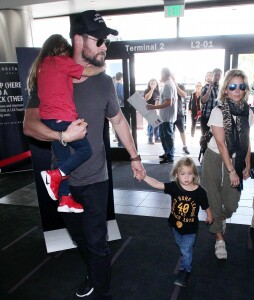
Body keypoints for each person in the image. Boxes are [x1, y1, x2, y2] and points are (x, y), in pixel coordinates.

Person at [23, 10, 145, 300]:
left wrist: (135, 157)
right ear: (78, 39)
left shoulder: (103, 82)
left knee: (97, 242)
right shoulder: (49, 74)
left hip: (96, 179)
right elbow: (29, 125)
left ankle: (102, 290)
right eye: (100, 40)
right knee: (79, 238)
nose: (105, 46)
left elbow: (118, 121)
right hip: (63, 182)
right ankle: (93, 272)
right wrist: (62, 136)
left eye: (107, 42)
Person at [27, 34, 105, 214]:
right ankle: (54, 175)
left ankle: (65, 199)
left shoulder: (41, 66)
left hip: (48, 121)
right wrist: (102, 67)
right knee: (85, 150)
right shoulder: (60, 61)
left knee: (62, 159)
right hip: (63, 118)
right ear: (61, 48)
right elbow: (89, 72)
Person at [135, 157, 213, 287]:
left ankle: (185, 271)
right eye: (183, 174)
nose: (186, 177)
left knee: (185, 249)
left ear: (194, 174)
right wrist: (144, 177)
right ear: (177, 174)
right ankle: (185, 259)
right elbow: (157, 184)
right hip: (175, 226)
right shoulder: (174, 187)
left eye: (189, 174)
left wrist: (209, 215)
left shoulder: (200, 192)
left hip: (191, 229)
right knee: (181, 245)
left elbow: (206, 206)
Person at [201, 69, 252, 260]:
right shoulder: (218, 111)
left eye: (241, 86)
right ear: (226, 90)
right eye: (232, 86)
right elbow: (221, 144)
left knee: (231, 204)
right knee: (213, 199)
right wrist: (231, 170)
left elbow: (247, 139)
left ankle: (220, 219)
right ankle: (219, 239)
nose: (237, 90)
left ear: (245, 89)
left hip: (236, 158)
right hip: (215, 158)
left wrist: (247, 163)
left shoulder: (248, 111)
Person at [146, 67, 177, 164]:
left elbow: (169, 103)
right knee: (164, 136)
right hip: (165, 116)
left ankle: (170, 156)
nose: (160, 76)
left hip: (167, 116)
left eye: (161, 74)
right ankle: (167, 153)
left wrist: (154, 107)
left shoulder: (168, 85)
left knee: (167, 136)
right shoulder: (168, 84)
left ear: (164, 74)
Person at [199, 68, 222, 162]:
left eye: (219, 75)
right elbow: (203, 100)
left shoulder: (221, 88)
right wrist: (209, 89)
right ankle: (205, 159)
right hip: (206, 117)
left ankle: (215, 158)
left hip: (217, 118)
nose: (217, 77)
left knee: (217, 139)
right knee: (206, 138)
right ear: (212, 75)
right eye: (215, 75)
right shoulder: (205, 87)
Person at [171, 74, 190, 155]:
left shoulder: (180, 86)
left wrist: (175, 85)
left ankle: (185, 146)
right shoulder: (166, 86)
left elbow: (184, 95)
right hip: (169, 114)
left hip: (179, 113)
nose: (171, 79)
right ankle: (172, 147)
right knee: (171, 132)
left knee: (182, 130)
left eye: (173, 77)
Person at [144, 78, 160, 144]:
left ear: (156, 84)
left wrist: (156, 108)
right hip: (149, 109)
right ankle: (150, 139)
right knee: (150, 124)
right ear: (149, 84)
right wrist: (152, 89)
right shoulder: (147, 90)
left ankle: (157, 138)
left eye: (154, 83)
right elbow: (146, 98)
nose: (153, 84)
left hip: (156, 109)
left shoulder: (158, 91)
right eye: (151, 83)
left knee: (157, 124)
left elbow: (158, 100)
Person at [113, 72, 124, 147]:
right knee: (122, 127)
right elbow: (123, 97)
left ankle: (119, 143)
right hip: (122, 107)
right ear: (121, 78)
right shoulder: (121, 86)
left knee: (117, 126)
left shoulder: (112, 85)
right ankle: (122, 144)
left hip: (114, 109)